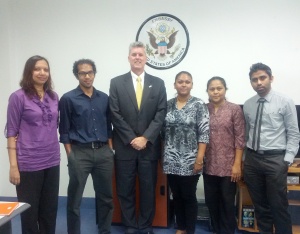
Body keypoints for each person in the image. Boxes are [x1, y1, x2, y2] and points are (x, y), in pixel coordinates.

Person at [109, 41, 167, 234]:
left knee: (148, 189)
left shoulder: (158, 83)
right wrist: (132, 138)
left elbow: (161, 113)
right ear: (128, 58)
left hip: (149, 147)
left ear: (146, 58)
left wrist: (146, 138)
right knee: (125, 189)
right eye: (134, 54)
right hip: (125, 147)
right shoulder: (116, 83)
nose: (137, 57)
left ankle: (145, 224)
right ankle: (130, 225)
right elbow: (114, 113)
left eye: (141, 54)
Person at [243, 63, 300, 234]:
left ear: (271, 78)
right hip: (252, 160)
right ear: (251, 82)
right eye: (254, 80)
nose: (258, 82)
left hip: (275, 160)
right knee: (260, 206)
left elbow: (294, 133)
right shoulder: (248, 104)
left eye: (262, 78)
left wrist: (287, 160)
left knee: (279, 206)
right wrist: (246, 157)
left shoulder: (285, 101)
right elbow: (247, 132)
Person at [6, 55, 60, 233]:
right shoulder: (18, 97)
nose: (42, 73)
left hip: (52, 160)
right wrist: (13, 166)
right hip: (28, 163)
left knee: (49, 210)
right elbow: (11, 132)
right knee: (29, 212)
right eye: (37, 69)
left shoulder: (53, 97)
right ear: (29, 71)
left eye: (45, 69)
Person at [59, 59, 114, 234]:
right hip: (79, 153)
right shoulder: (68, 98)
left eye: (90, 72)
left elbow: (108, 126)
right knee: (75, 200)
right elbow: (64, 130)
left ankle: (104, 230)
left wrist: (110, 149)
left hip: (104, 153)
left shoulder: (104, 98)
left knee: (106, 198)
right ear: (77, 75)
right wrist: (70, 155)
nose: (87, 76)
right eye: (83, 73)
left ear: (95, 73)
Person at [162, 71, 209, 234]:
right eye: (180, 81)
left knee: (188, 196)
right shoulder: (167, 104)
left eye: (187, 82)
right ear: (175, 84)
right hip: (171, 159)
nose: (183, 84)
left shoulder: (199, 104)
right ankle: (180, 227)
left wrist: (199, 159)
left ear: (192, 85)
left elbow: (204, 133)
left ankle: (190, 229)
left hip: (191, 159)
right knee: (176, 195)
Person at [203, 76, 245, 234]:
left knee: (227, 202)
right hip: (209, 164)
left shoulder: (234, 109)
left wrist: (237, 164)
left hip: (229, 166)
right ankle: (216, 229)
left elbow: (240, 138)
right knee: (211, 201)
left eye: (219, 88)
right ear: (207, 91)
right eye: (212, 88)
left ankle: (226, 231)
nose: (215, 91)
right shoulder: (203, 109)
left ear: (225, 89)